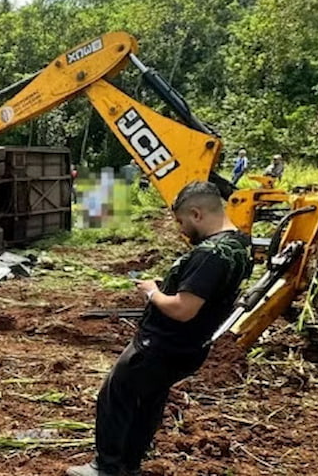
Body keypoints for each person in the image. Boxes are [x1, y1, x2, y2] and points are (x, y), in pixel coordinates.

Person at [67, 181, 252, 476]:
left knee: (116, 397)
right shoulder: (240, 245)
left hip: (162, 345)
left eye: (182, 222)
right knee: (147, 401)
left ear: (197, 213)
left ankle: (107, 467)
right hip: (189, 347)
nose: (181, 230)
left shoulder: (211, 254)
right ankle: (129, 465)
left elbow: (182, 309)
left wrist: (153, 291)